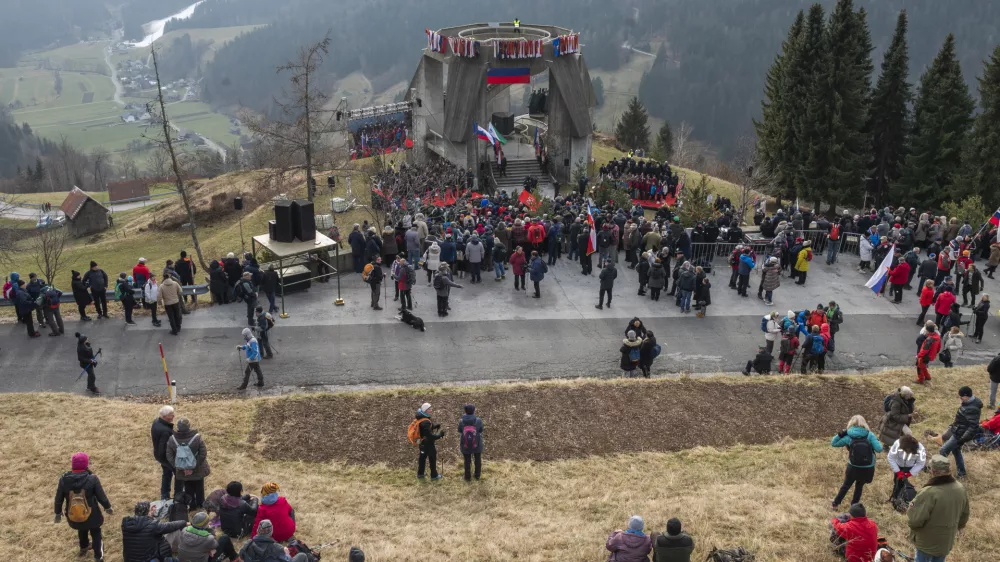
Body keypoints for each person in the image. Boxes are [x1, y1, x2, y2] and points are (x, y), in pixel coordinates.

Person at [906, 455, 969, 562]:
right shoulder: (960, 488)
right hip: (946, 541)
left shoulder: (929, 492)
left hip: (926, 543)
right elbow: (965, 514)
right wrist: (959, 526)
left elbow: (914, 520)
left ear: (933, 471)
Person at [54, 452, 112, 562]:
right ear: (86, 464)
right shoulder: (92, 479)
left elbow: (58, 498)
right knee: (96, 533)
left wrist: (57, 513)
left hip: (74, 516)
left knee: (82, 528)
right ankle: (98, 556)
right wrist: (107, 507)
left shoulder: (64, 479)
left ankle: (84, 547)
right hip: (92, 515)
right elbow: (101, 496)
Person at [830, 415, 883, 509]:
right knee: (859, 486)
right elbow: (879, 449)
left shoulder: (848, 436)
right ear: (864, 423)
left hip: (853, 466)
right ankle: (854, 506)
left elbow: (833, 443)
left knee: (846, 485)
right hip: (867, 466)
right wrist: (876, 441)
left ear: (851, 423)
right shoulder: (869, 434)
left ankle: (836, 504)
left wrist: (841, 433)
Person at [938, 386, 982, 478]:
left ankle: (940, 473)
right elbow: (963, 420)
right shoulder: (969, 403)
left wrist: (963, 439)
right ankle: (962, 473)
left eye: (961, 396)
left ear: (966, 396)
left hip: (959, 435)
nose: (960, 398)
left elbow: (973, 427)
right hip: (958, 430)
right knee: (956, 451)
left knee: (943, 450)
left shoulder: (972, 408)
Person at [121, 500, 186, 562]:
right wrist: (185, 522)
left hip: (129, 559)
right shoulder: (152, 525)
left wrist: (149, 514)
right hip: (148, 560)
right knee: (172, 533)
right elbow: (170, 526)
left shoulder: (127, 524)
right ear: (147, 511)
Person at [167, 417, 210, 509]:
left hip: (182, 471)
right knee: (199, 487)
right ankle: (200, 504)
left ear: (178, 427)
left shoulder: (172, 439)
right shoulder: (197, 437)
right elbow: (203, 454)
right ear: (189, 426)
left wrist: (179, 467)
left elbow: (169, 455)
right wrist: (193, 467)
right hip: (197, 468)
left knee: (188, 487)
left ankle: (191, 505)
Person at [151, 405, 182, 501]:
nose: (173, 416)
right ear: (164, 416)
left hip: (160, 456)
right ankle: (178, 495)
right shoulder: (165, 431)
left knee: (166, 474)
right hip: (166, 458)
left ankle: (164, 495)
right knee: (178, 474)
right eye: (171, 415)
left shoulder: (156, 422)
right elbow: (164, 448)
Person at [243, 519, 309, 562]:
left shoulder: (248, 544)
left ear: (258, 530)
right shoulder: (276, 546)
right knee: (302, 555)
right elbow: (287, 557)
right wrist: (286, 552)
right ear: (271, 532)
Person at [886, 433, 926, 502]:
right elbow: (891, 457)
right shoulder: (897, 444)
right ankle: (895, 496)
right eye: (905, 450)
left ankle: (899, 496)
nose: (907, 452)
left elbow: (920, 463)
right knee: (896, 480)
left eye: (909, 451)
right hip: (898, 464)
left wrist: (910, 473)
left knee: (902, 482)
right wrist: (898, 471)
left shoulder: (920, 449)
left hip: (909, 467)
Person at [414, 403, 445, 480]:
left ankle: (420, 473)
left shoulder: (421, 417)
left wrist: (434, 426)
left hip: (422, 443)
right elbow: (430, 436)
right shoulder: (425, 422)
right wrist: (440, 435)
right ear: (425, 410)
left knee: (422, 457)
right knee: (432, 458)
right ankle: (434, 476)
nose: (431, 410)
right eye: (429, 409)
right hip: (428, 443)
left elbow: (425, 429)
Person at [458, 404, 485, 481]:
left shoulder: (461, 421)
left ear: (465, 411)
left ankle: (467, 477)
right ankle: (477, 476)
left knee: (467, 461)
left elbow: (460, 431)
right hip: (477, 443)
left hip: (465, 444)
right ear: (474, 411)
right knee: (477, 460)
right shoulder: (478, 420)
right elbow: (481, 430)